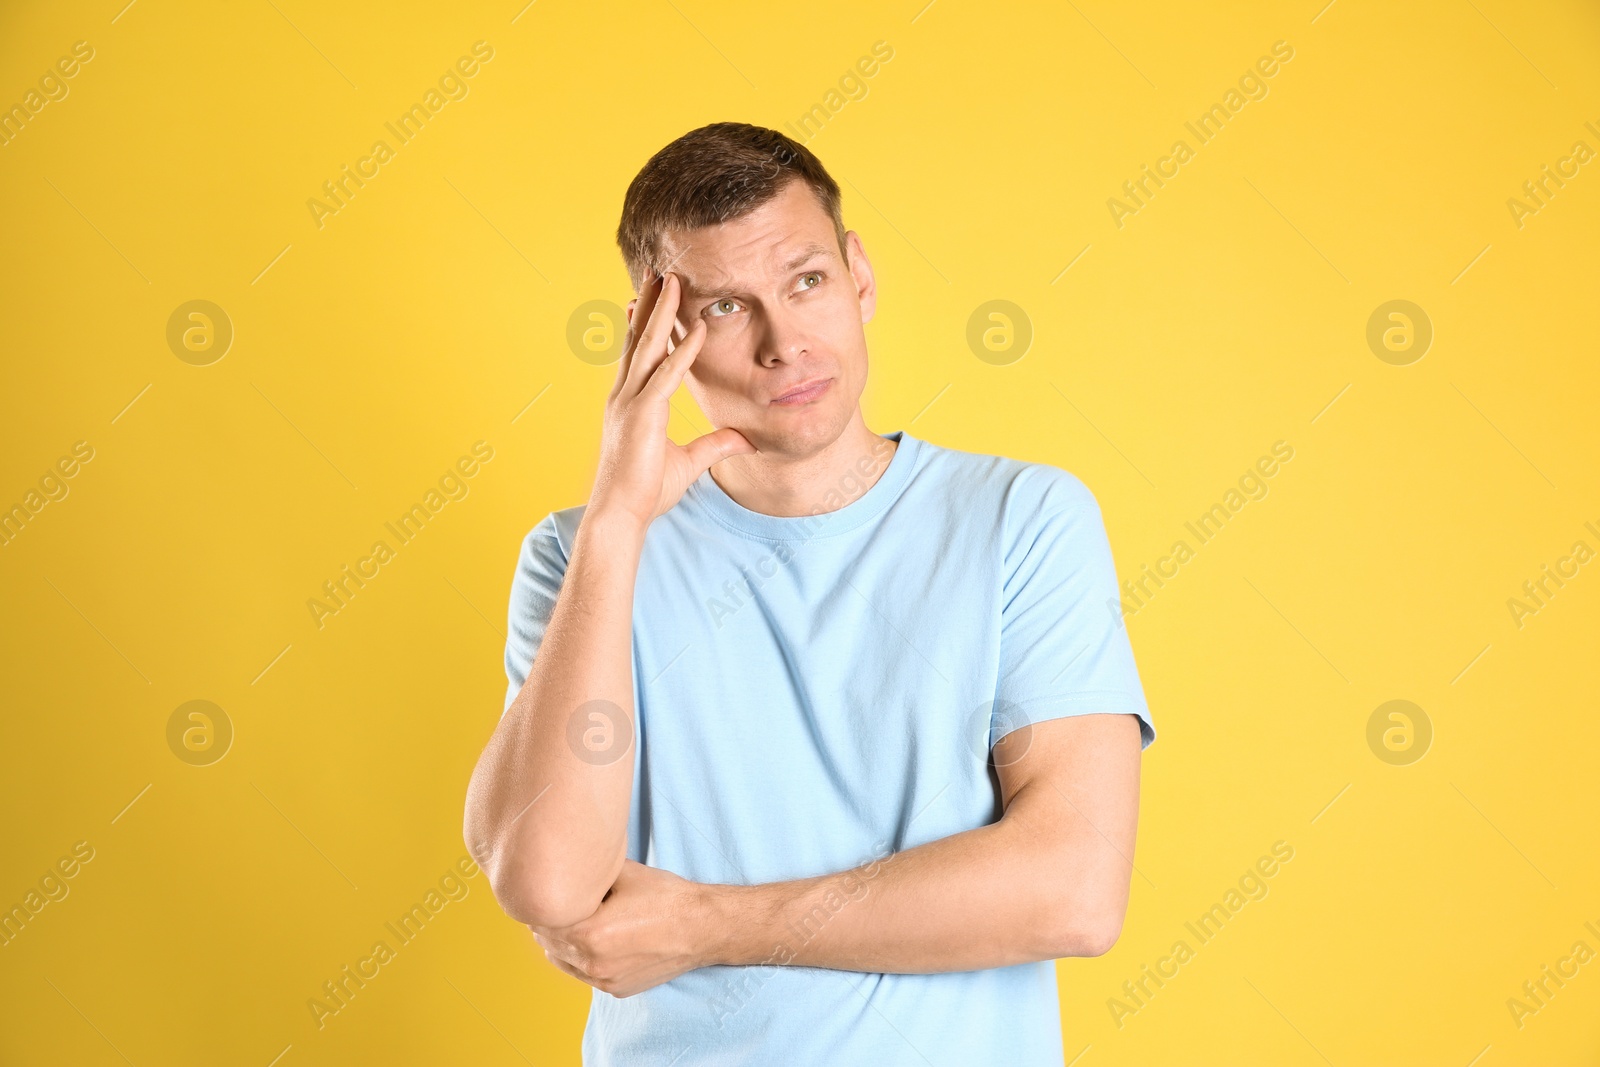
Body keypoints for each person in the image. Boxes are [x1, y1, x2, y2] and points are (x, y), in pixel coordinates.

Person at [462, 121, 1156, 1066]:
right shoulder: (580, 556)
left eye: (806, 281)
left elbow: (1072, 888)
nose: (785, 342)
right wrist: (617, 523)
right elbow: (547, 882)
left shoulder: (1022, 519)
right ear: (655, 335)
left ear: (859, 275)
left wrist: (707, 924)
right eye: (723, 309)